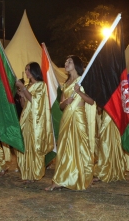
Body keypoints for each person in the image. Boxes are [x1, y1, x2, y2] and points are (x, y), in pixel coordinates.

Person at [45, 55, 94, 191]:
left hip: (78, 117)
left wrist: (79, 92)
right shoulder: (65, 84)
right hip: (66, 118)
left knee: (80, 147)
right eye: (66, 61)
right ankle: (60, 180)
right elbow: (61, 105)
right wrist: (65, 102)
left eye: (69, 62)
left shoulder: (82, 81)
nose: (66, 63)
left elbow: (91, 101)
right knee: (65, 148)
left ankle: (82, 177)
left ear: (76, 65)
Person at [15, 62, 54, 183]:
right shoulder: (28, 85)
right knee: (24, 146)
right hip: (25, 118)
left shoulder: (41, 85)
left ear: (34, 71)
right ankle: (26, 174)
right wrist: (22, 96)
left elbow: (35, 102)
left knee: (33, 146)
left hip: (35, 121)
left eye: (28, 69)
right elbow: (24, 105)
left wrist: (23, 88)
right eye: (25, 69)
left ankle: (33, 174)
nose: (26, 72)